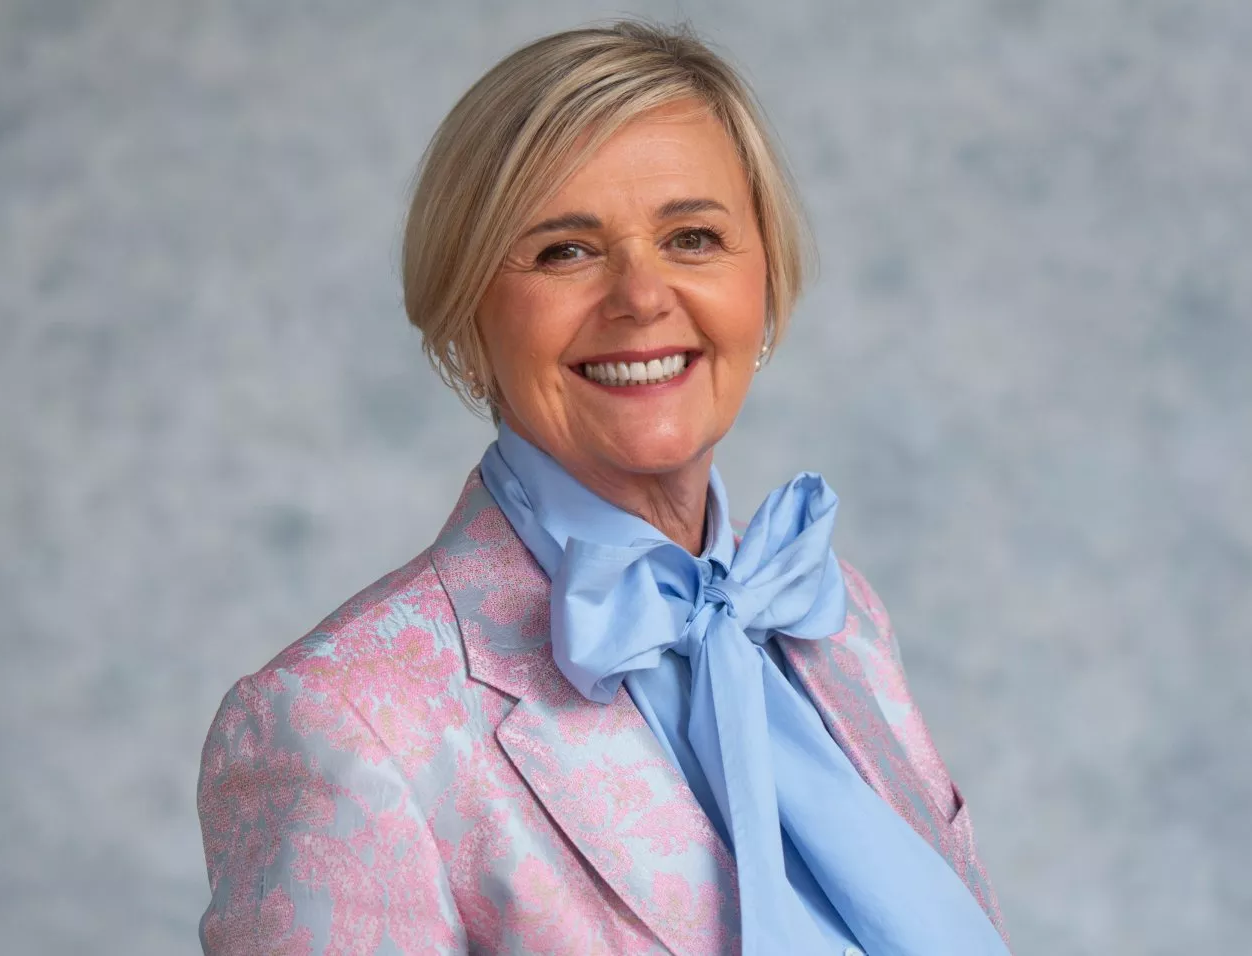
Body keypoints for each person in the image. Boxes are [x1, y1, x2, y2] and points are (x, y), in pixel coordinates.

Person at [197, 21, 1010, 956]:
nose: (641, 297)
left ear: (767, 285)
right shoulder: (343, 722)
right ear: (466, 317)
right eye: (564, 251)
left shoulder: (838, 621)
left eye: (693, 237)